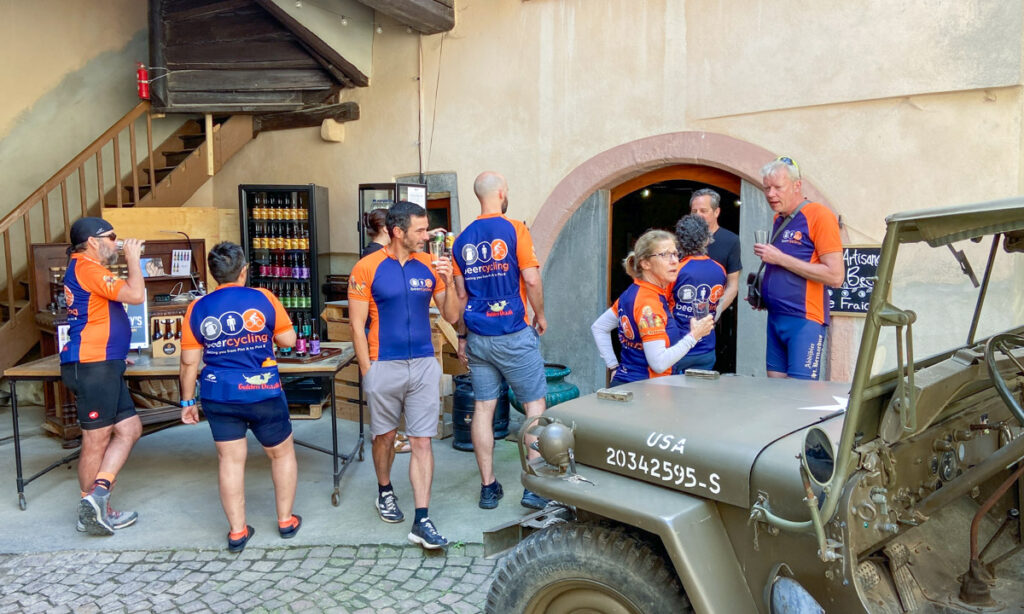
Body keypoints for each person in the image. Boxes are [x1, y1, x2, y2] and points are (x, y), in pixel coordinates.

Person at [348, 201, 460, 550]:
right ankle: (385, 491)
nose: (427, 237)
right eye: (421, 231)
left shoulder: (429, 265)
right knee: (384, 437)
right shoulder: (366, 268)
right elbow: (355, 325)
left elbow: (453, 317)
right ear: (398, 232)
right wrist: (368, 371)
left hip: (424, 363)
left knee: (422, 441)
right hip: (384, 363)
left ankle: (422, 519)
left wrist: (447, 281)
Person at [178, 242, 301, 553]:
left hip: (219, 393)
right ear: (244, 271)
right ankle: (285, 520)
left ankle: (237, 532)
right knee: (281, 454)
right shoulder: (263, 298)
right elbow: (288, 341)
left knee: (230, 462)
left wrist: (187, 402)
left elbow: (189, 362)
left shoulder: (197, 308)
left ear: (214, 274)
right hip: (262, 391)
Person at [448, 171, 549, 511]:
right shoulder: (515, 229)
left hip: (479, 337)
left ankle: (488, 487)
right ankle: (534, 486)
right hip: (513, 334)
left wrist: (462, 337)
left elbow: (461, 296)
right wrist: (541, 315)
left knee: (483, 409)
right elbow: (532, 279)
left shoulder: (460, 240)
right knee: (535, 406)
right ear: (502, 193)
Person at [60, 217, 145, 536]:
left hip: (103, 364)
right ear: (93, 241)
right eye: (112, 237)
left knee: (129, 428)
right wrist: (134, 260)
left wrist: (115, 353)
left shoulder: (84, 267)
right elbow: (135, 295)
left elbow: (99, 313)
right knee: (95, 440)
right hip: (93, 366)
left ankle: (98, 496)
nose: (117, 242)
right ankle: (89, 510)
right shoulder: (88, 268)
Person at [753, 157, 844, 380]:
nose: (770, 194)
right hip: (775, 317)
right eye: (766, 188)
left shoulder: (820, 216)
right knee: (776, 393)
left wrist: (780, 259)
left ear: (797, 185)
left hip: (804, 321)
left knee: (800, 396)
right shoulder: (779, 218)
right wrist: (762, 287)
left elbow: (835, 276)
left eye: (778, 187)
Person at [591, 230, 714, 385]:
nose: (674, 260)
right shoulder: (649, 303)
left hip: (631, 386)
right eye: (665, 255)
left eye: (676, 254)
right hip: (646, 392)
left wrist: (613, 366)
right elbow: (659, 364)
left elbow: (599, 327)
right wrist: (694, 336)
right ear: (645, 263)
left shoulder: (634, 292)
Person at [670, 215, 727, 372]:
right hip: (707, 348)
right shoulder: (720, 269)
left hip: (679, 347)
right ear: (706, 239)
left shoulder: (676, 270)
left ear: (680, 242)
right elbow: (718, 304)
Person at [689, 188, 742, 320]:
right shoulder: (683, 240)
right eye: (694, 211)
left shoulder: (731, 240)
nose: (697, 215)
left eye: (703, 211)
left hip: (711, 314)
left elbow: (732, 285)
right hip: (681, 314)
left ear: (716, 212)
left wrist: (715, 313)